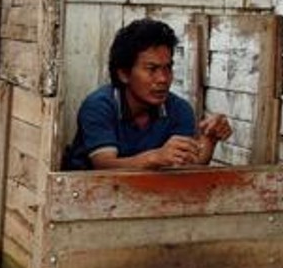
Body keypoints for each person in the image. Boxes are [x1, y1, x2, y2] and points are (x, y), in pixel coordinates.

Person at [64, 18, 232, 170]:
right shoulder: (99, 105)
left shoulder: (179, 109)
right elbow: (104, 165)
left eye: (168, 68)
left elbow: (185, 169)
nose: (163, 79)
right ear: (124, 74)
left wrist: (209, 139)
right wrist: (155, 157)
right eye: (152, 69)